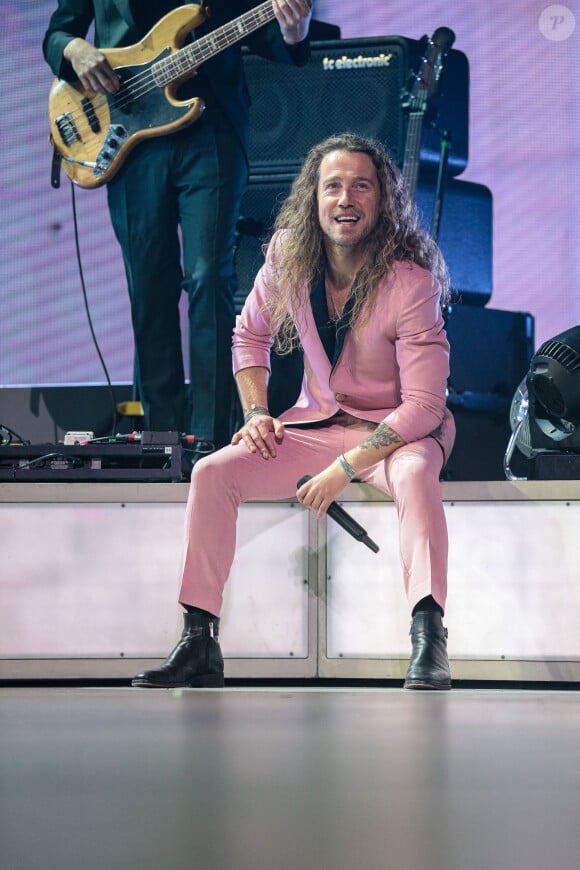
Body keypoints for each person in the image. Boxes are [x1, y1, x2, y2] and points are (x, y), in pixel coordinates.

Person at [132, 131, 456, 691]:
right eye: (332, 187)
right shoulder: (288, 253)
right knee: (213, 472)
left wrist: (343, 469)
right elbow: (248, 337)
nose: (345, 199)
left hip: (398, 433)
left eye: (361, 186)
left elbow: (426, 406)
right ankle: (200, 640)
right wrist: (257, 412)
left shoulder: (412, 283)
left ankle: (429, 638)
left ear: (382, 201)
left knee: (415, 472)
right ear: (314, 198)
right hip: (318, 423)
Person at [43, 0, 312, 460]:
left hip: (210, 127)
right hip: (126, 130)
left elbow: (271, 34)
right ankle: (161, 443)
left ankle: (210, 441)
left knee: (210, 277)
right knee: (150, 285)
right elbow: (57, 33)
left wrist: (294, 28)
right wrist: (75, 50)